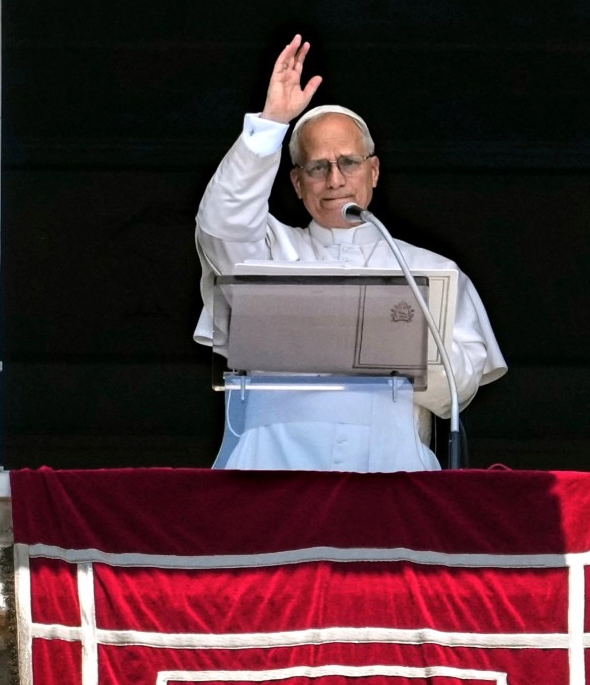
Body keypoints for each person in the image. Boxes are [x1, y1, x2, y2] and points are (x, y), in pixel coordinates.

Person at [193, 35, 506, 471]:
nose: (335, 179)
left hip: (390, 472)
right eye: (318, 167)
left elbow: (460, 387)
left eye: (349, 163)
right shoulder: (268, 254)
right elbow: (221, 223)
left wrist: (388, 342)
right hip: (272, 469)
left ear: (373, 171)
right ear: (298, 183)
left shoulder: (428, 269)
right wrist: (270, 124)